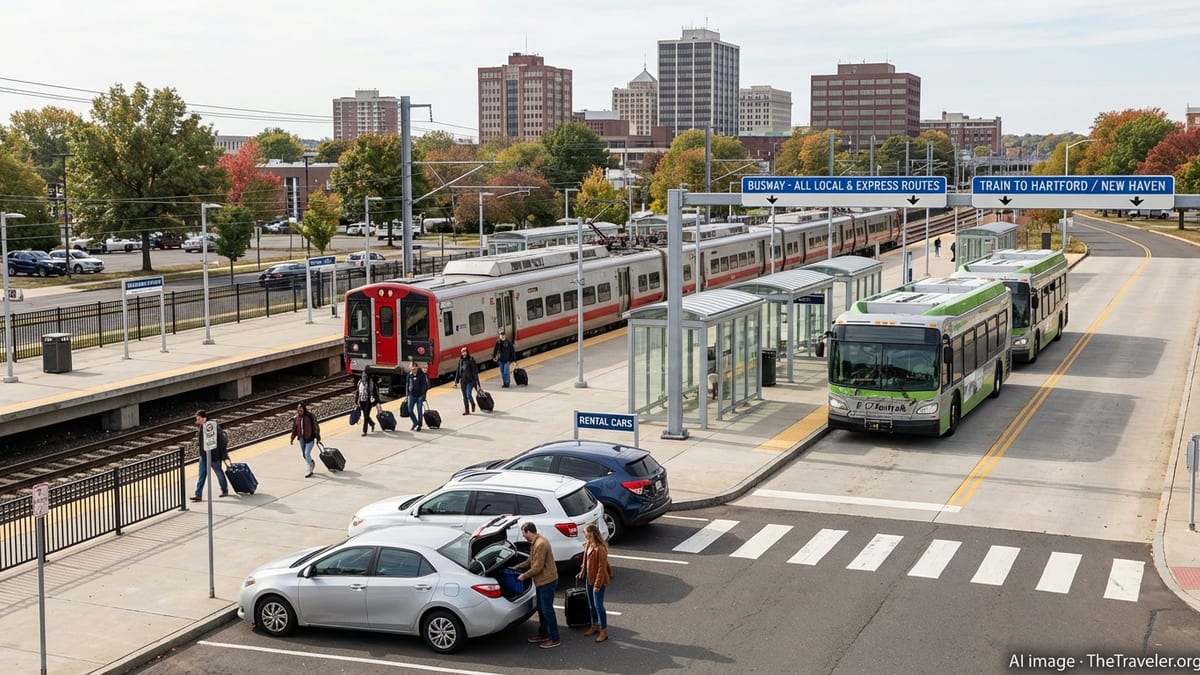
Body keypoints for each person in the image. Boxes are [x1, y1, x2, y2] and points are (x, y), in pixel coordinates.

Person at [516, 522, 560, 648]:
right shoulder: (535, 542)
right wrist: (517, 567)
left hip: (547, 581)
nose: (523, 536)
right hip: (542, 582)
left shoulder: (540, 544)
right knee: (541, 609)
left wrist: (523, 576)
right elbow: (530, 560)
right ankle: (543, 634)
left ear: (529, 531)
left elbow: (537, 567)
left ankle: (555, 638)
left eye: (523, 533)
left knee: (547, 610)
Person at [577, 523, 612, 643]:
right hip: (589, 579)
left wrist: (597, 585)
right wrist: (582, 571)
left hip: (598, 581)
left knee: (599, 606)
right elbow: (585, 560)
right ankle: (595, 625)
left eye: (585, 532)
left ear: (591, 533)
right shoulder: (588, 544)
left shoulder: (600, 548)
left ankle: (604, 630)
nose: (584, 534)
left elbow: (601, 569)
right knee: (591, 604)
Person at [192, 410, 229, 501]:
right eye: (197, 419)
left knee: (218, 472)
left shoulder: (213, 426)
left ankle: (224, 490)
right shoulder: (201, 426)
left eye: (199, 418)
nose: (197, 420)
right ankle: (198, 494)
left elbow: (221, 440)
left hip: (214, 455)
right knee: (202, 474)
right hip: (204, 455)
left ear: (204, 418)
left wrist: (224, 455)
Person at [289, 402, 321, 477]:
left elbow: (315, 426)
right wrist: (292, 438)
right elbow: (294, 429)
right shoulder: (297, 418)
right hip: (301, 438)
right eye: (298, 409)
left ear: (304, 409)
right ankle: (311, 462)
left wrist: (318, 437)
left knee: (307, 453)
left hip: (310, 438)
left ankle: (309, 468)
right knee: (304, 454)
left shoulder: (310, 416)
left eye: (301, 408)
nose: (299, 410)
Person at [453, 347, 480, 416]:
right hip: (463, 381)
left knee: (468, 395)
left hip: (470, 381)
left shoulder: (471, 360)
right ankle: (467, 410)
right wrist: (456, 381)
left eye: (465, 351)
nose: (464, 353)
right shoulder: (460, 361)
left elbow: (475, 372)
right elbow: (458, 372)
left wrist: (477, 383)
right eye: (462, 352)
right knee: (464, 396)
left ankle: (472, 403)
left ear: (467, 352)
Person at [406, 361, 430, 431]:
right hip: (411, 395)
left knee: (419, 411)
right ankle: (415, 422)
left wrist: (423, 395)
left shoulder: (421, 375)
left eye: (414, 367)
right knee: (410, 410)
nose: (413, 368)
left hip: (419, 396)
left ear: (417, 367)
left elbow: (425, 385)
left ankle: (419, 425)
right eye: (411, 367)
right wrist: (407, 395)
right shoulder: (409, 375)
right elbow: (407, 385)